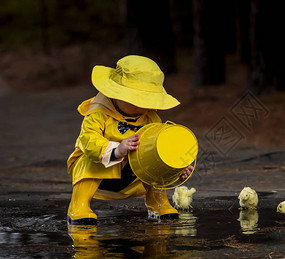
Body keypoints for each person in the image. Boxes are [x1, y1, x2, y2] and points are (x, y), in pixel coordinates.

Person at [66, 55, 193, 225]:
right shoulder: (97, 114)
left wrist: (176, 170)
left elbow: (162, 149)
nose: (141, 107)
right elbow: (88, 140)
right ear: (115, 92)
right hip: (99, 176)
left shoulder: (151, 118)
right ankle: (79, 205)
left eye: (146, 101)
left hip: (132, 176)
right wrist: (116, 150)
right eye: (135, 100)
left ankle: (157, 203)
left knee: (154, 160)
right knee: (89, 159)